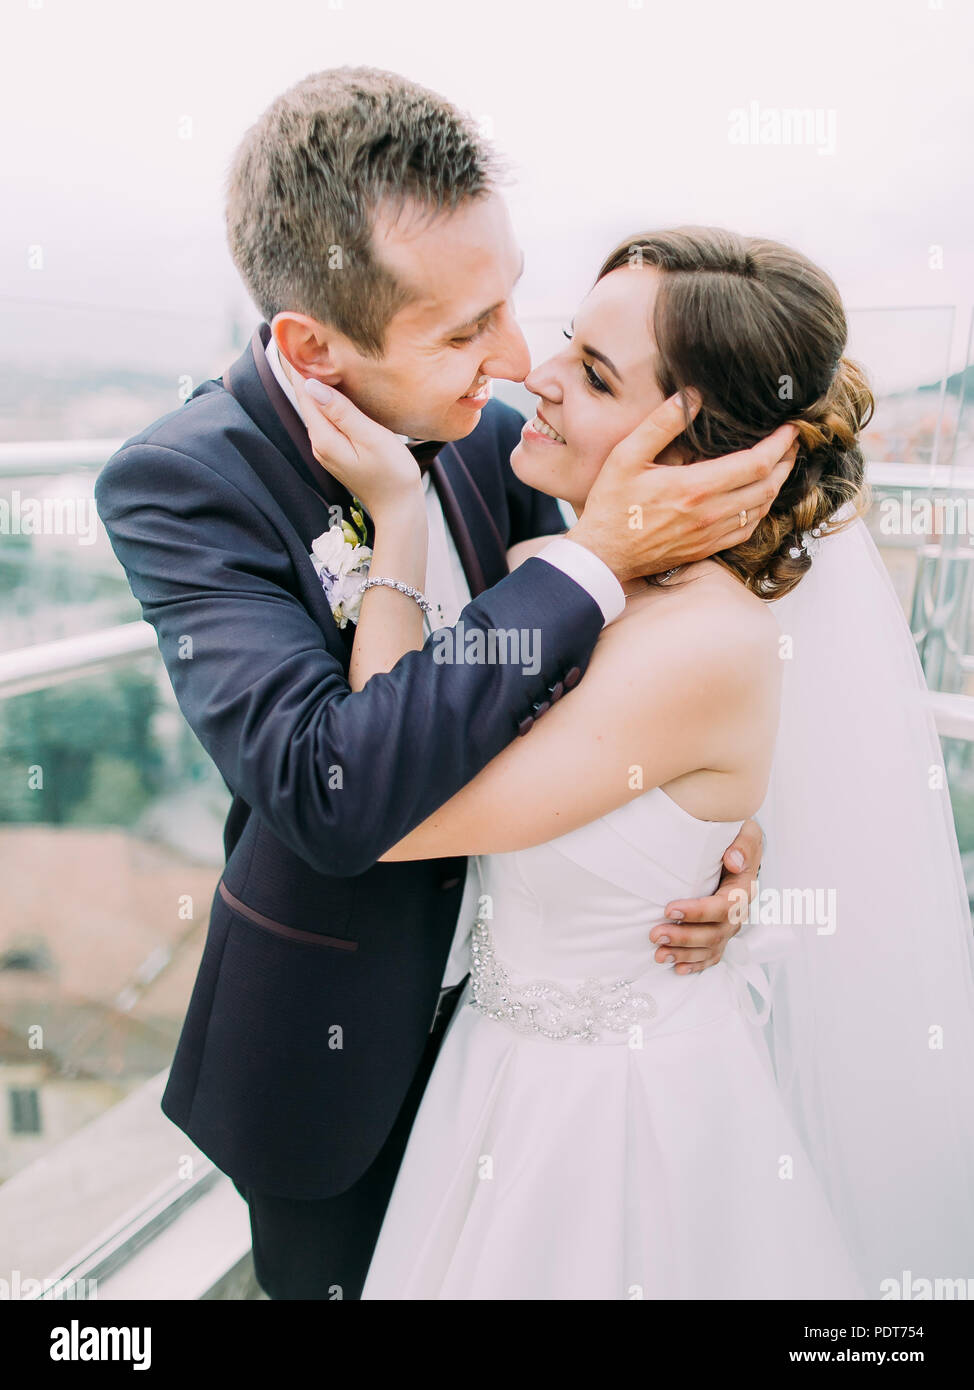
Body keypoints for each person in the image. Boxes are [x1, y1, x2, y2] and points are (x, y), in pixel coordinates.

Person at [93, 71, 795, 1300]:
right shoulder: (181, 482)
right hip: (334, 1046)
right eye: (467, 328)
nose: (518, 358)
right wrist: (583, 556)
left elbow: (607, 680)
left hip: (552, 1042)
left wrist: (702, 840)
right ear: (315, 345)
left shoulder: (496, 431)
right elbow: (328, 786)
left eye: (512, 300)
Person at [292, 226, 974, 1300]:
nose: (535, 377)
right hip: (495, 1066)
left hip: (607, 1110)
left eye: (595, 374)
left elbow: (389, 805)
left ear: (693, 455)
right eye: (568, 340)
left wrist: (396, 519)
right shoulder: (554, 567)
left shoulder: (700, 645)